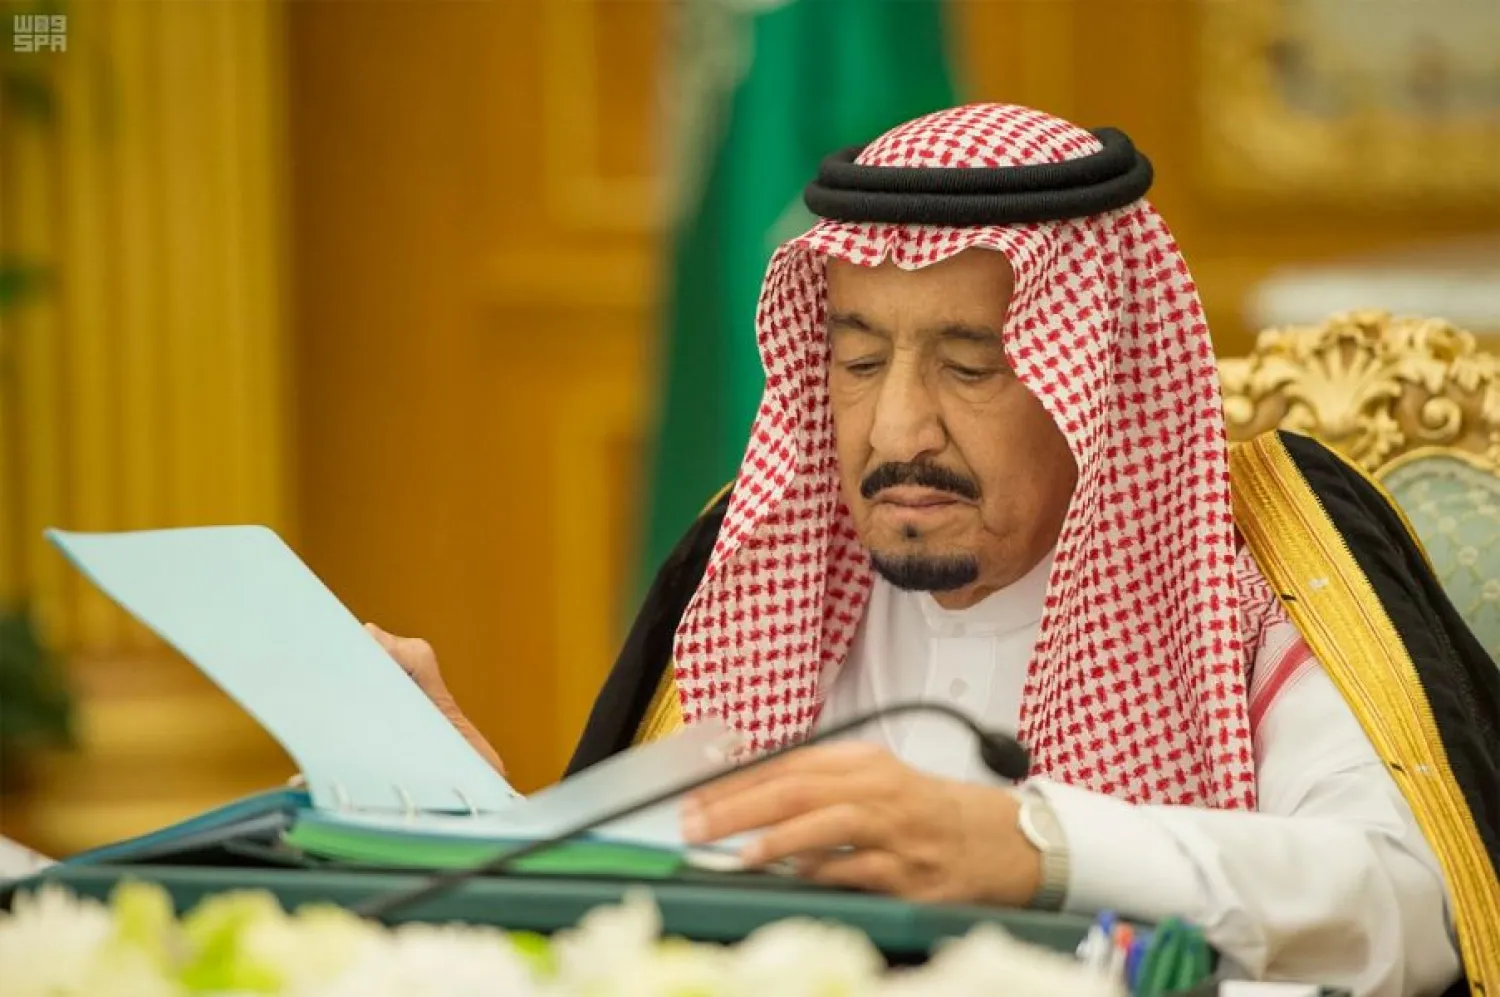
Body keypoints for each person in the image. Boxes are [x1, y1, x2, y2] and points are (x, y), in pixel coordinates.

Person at [373, 104, 1500, 997]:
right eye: (859, 362)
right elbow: (665, 914)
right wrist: (483, 826)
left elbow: (1410, 908)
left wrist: (1039, 849)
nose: (899, 430)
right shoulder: (768, 564)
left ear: (1094, 381)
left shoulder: (1255, 559)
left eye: (970, 365)